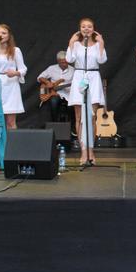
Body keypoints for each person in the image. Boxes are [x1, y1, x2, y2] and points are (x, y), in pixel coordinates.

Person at [66, 18, 107, 165]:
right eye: (83, 27)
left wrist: (101, 43)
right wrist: (71, 42)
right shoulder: (76, 44)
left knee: (92, 116)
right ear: (79, 29)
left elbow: (102, 60)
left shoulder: (97, 44)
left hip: (93, 78)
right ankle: (83, 150)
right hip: (79, 77)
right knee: (79, 117)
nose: (86, 29)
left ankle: (91, 150)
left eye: (89, 26)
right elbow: (69, 59)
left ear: (93, 29)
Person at [0, 24, 27, 130]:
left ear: (9, 35)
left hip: (11, 87)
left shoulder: (15, 50)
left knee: (10, 122)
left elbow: (23, 69)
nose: (0, 35)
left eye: (3, 33)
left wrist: (15, 73)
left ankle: (12, 141)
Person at [37, 50, 75, 123]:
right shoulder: (51, 68)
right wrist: (47, 82)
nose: (65, 64)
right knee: (53, 101)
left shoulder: (73, 70)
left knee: (72, 105)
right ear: (58, 61)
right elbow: (39, 77)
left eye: (66, 62)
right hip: (53, 93)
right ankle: (55, 123)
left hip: (68, 94)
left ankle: (71, 125)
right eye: (62, 62)